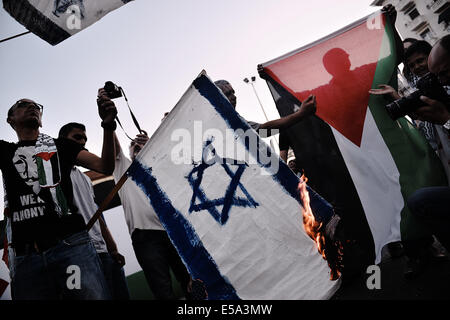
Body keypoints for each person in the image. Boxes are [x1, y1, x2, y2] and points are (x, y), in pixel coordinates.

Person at [1, 93, 117, 299]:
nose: (32, 107)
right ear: (10, 120)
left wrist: (108, 126)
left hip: (71, 248)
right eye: (22, 104)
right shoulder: (4, 151)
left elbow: (105, 166)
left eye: (36, 105)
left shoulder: (62, 146)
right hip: (26, 258)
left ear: (42, 120)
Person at [102, 90, 191, 300]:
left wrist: (154, 144)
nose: (137, 145)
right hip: (146, 237)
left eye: (141, 143)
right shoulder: (124, 168)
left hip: (174, 230)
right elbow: (114, 148)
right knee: (163, 291)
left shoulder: (161, 165)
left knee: (192, 282)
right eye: (133, 145)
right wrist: (108, 114)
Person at [58, 122, 130, 300]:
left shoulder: (85, 178)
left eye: (84, 138)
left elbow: (96, 214)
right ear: (62, 142)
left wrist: (112, 248)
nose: (82, 142)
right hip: (79, 252)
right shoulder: (55, 173)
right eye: (77, 137)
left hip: (104, 253)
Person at [407, 35, 450, 257]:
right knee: (419, 201)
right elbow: (432, 142)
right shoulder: (436, 98)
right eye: (436, 77)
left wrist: (446, 118)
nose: (441, 81)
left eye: (443, 73)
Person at [214, 79, 317, 137]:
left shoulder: (235, 119)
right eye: (228, 94)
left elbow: (262, 133)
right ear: (218, 99)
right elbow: (264, 131)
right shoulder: (221, 121)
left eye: (233, 92)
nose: (234, 96)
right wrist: (300, 114)